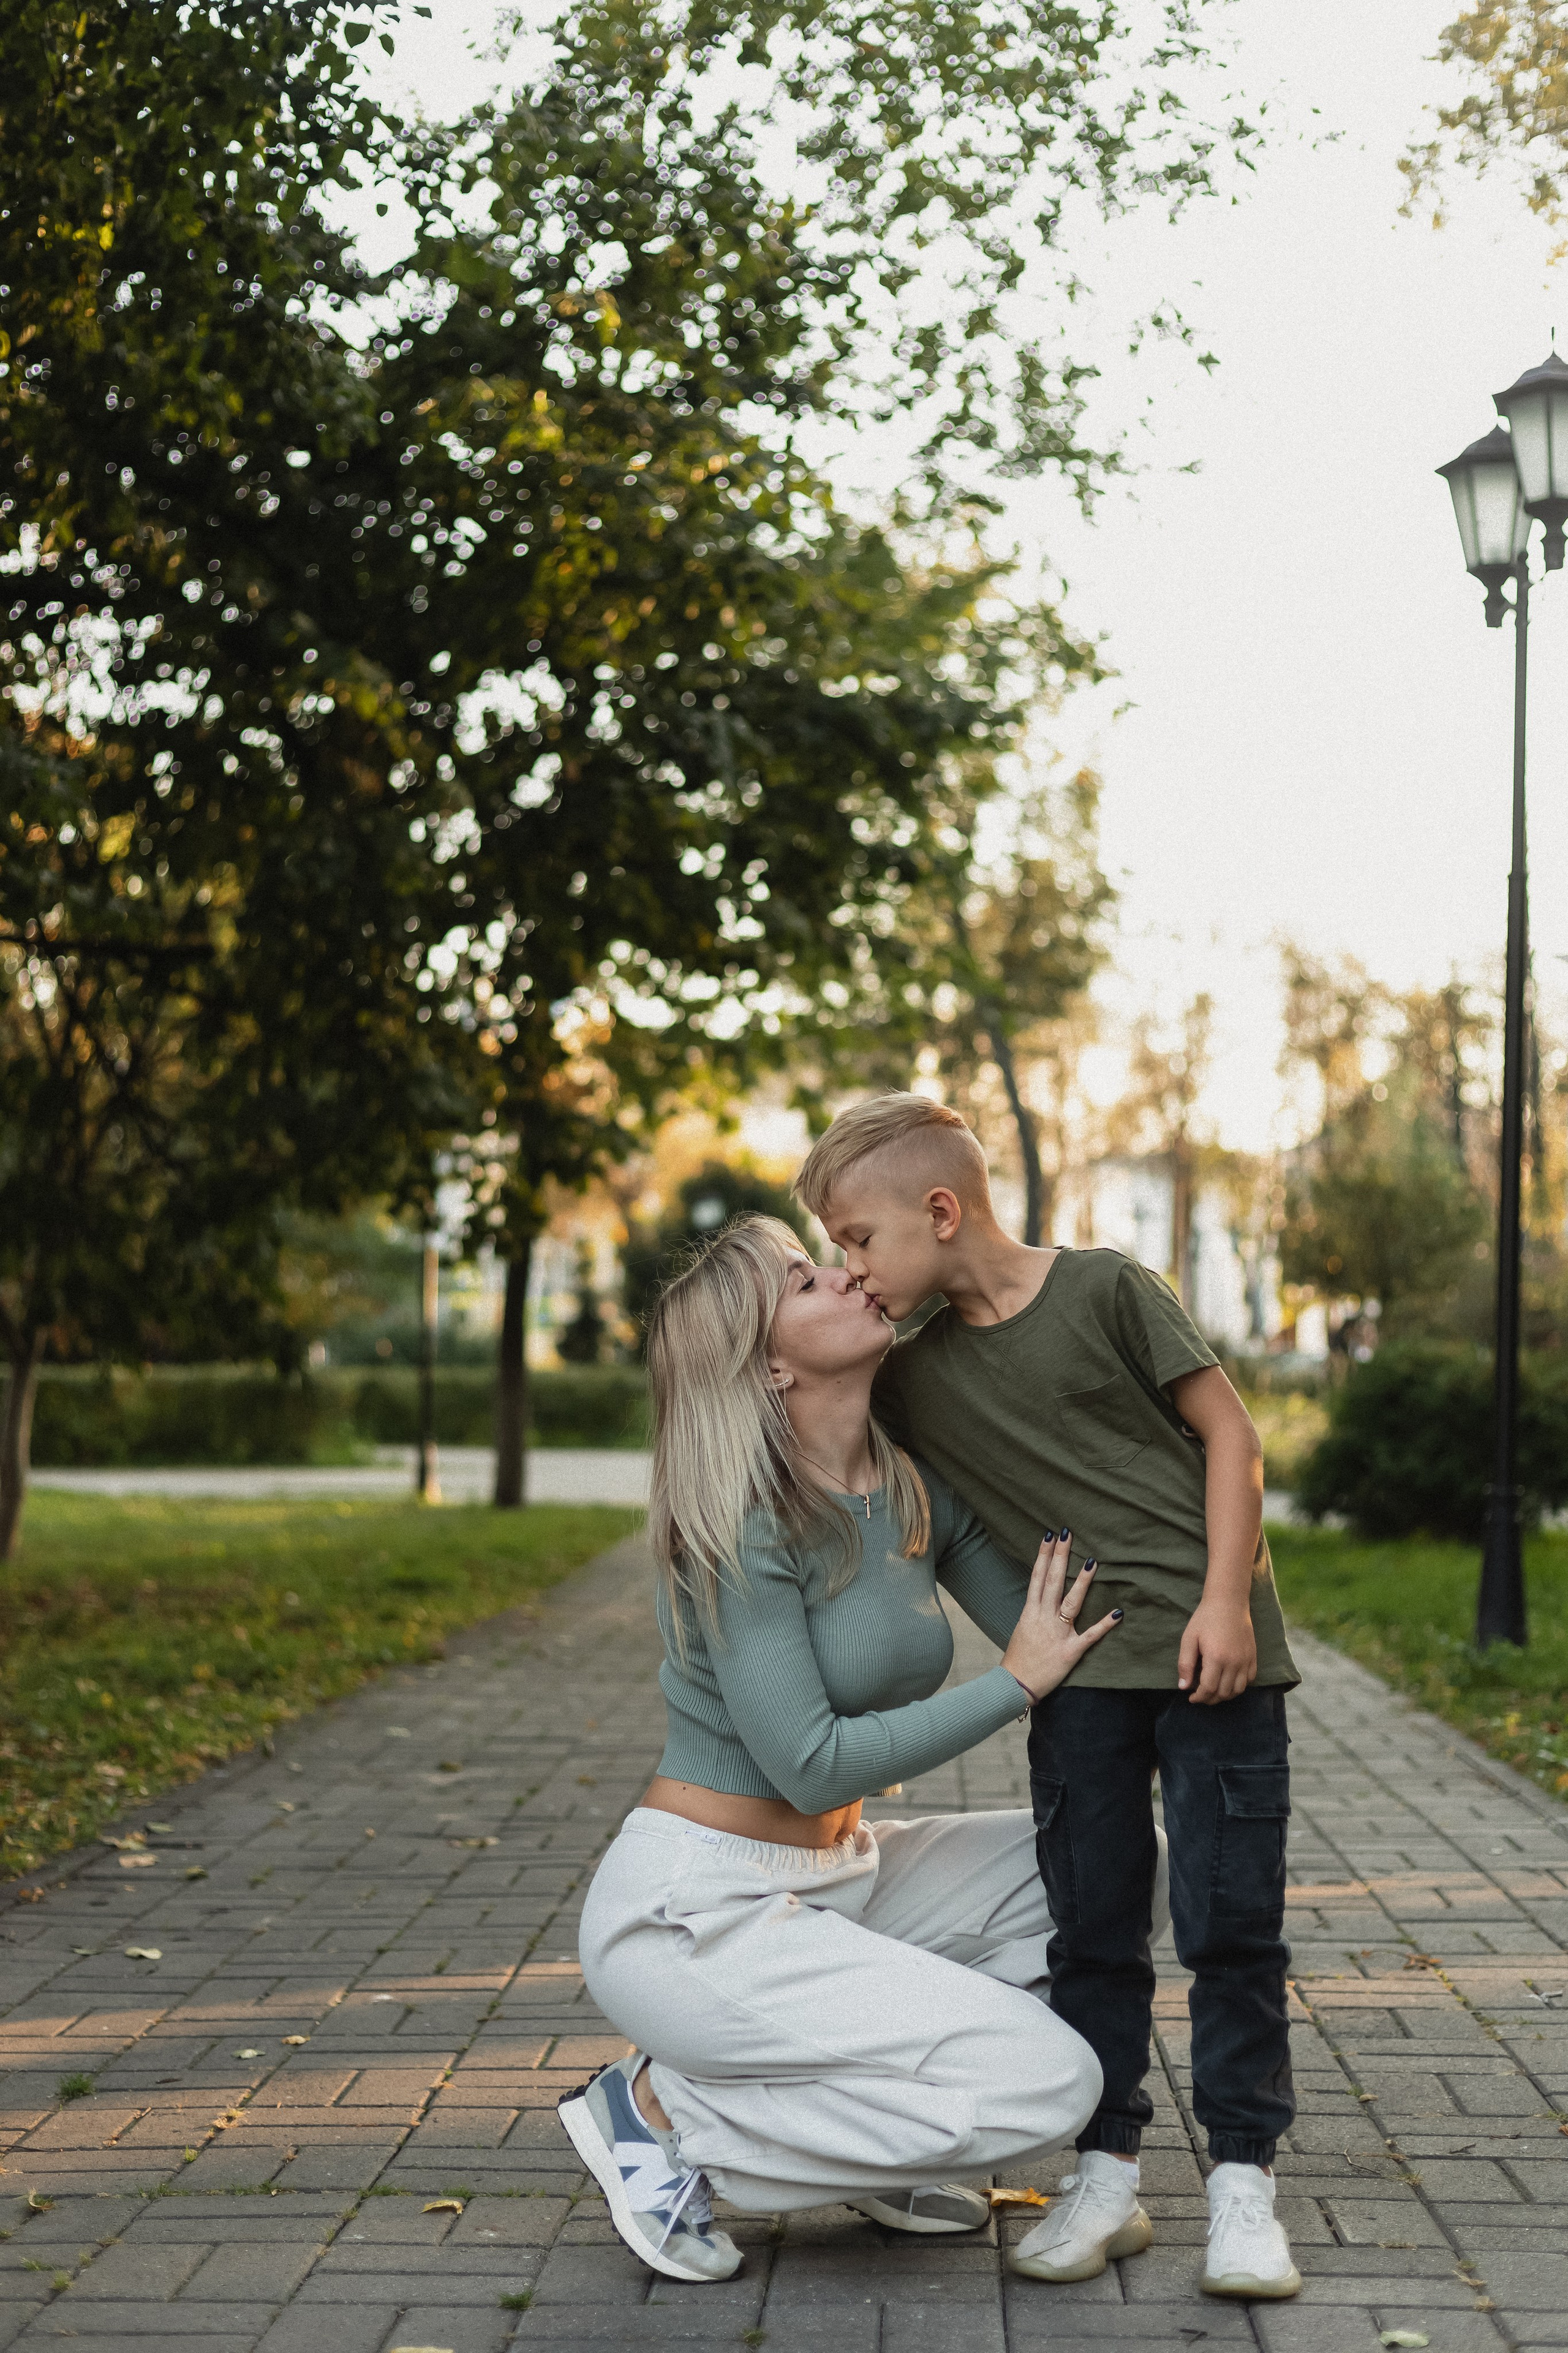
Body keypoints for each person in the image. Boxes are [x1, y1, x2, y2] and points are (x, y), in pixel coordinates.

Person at [560, 1213, 1167, 2286]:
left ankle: (869, 2143)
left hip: (839, 1875)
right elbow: (812, 1763)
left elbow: (1058, 1623)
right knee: (1050, 2083)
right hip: (696, 1914)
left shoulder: (904, 1482)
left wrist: (1198, 1616)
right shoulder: (742, 1521)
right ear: (768, 1365)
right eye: (805, 1280)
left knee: (1114, 1860)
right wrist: (1011, 1684)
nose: (846, 1274)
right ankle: (662, 2110)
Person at [795, 1092, 1302, 2303]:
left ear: (939, 1208)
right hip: (1076, 1678)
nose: (847, 1270)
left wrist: (1225, 1601)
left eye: (855, 1240)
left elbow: (1228, 1436)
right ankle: (1105, 2174)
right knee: (1092, 1925)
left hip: (1209, 1656)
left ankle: (1242, 2188)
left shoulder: (1108, 1290)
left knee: (1230, 1925)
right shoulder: (909, 1375)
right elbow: (800, 1415)